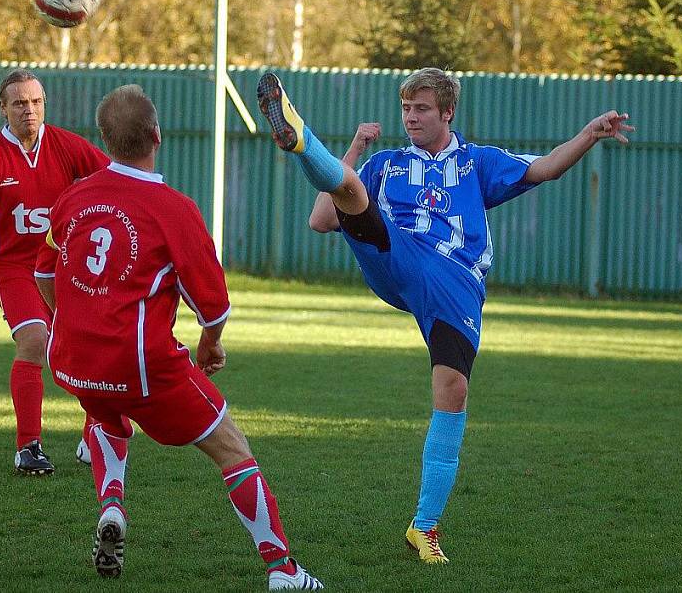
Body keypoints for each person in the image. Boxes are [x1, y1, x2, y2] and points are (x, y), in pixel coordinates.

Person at [256, 69, 633, 564]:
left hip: (455, 284)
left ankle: (424, 527)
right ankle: (301, 138)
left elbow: (544, 169)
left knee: (453, 393)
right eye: (406, 108)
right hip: (399, 256)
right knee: (354, 194)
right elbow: (320, 221)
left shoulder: (478, 162)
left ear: (447, 112)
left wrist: (588, 135)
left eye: (422, 109)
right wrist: (352, 151)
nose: (411, 117)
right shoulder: (387, 165)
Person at [33, 84, 323, 589]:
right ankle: (283, 570)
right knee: (233, 449)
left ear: (103, 139)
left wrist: (74, 322)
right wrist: (210, 345)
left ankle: (112, 506)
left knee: (105, 412)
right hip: (144, 366)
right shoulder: (174, 208)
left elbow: (43, 274)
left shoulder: (73, 197)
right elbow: (214, 306)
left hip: (71, 361)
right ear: (157, 136)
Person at [0, 69, 110, 475]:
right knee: (35, 340)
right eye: (19, 103)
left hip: (66, 269)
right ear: (4, 108)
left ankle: (94, 436)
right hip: (14, 269)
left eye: (35, 102)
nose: (29, 110)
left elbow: (112, 182)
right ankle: (28, 447)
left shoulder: (67, 146)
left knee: (93, 348)